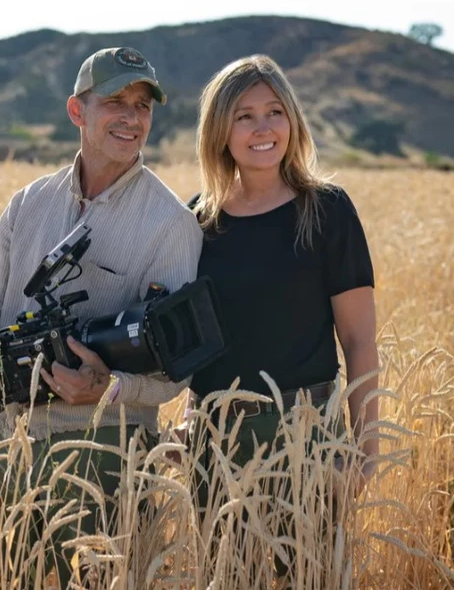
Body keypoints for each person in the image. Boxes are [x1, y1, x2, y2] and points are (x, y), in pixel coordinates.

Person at [0, 46, 203, 588]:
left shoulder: (172, 224)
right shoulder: (27, 203)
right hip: (6, 449)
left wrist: (107, 386)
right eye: (115, 102)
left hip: (107, 461)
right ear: (77, 112)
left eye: (143, 105)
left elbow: (178, 372)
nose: (132, 117)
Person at [185, 54, 381, 579]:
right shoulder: (195, 223)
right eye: (244, 115)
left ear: (293, 120)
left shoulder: (326, 210)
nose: (263, 128)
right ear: (219, 130)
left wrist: (364, 452)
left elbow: (359, 339)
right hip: (216, 443)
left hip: (309, 436)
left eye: (275, 111)